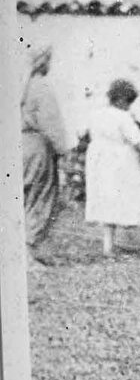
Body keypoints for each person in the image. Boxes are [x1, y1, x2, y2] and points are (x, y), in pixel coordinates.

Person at [84, 78, 140, 259]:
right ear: (122, 100)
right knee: (121, 195)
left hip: (98, 159)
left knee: (107, 199)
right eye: (128, 102)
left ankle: (108, 245)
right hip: (119, 161)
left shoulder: (96, 114)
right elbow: (137, 140)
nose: (129, 106)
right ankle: (111, 245)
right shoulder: (122, 117)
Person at [21, 45, 71, 261]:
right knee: (39, 195)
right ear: (44, 62)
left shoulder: (20, 87)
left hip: (17, 143)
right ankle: (28, 252)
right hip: (37, 146)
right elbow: (52, 124)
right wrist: (63, 150)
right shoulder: (41, 87)